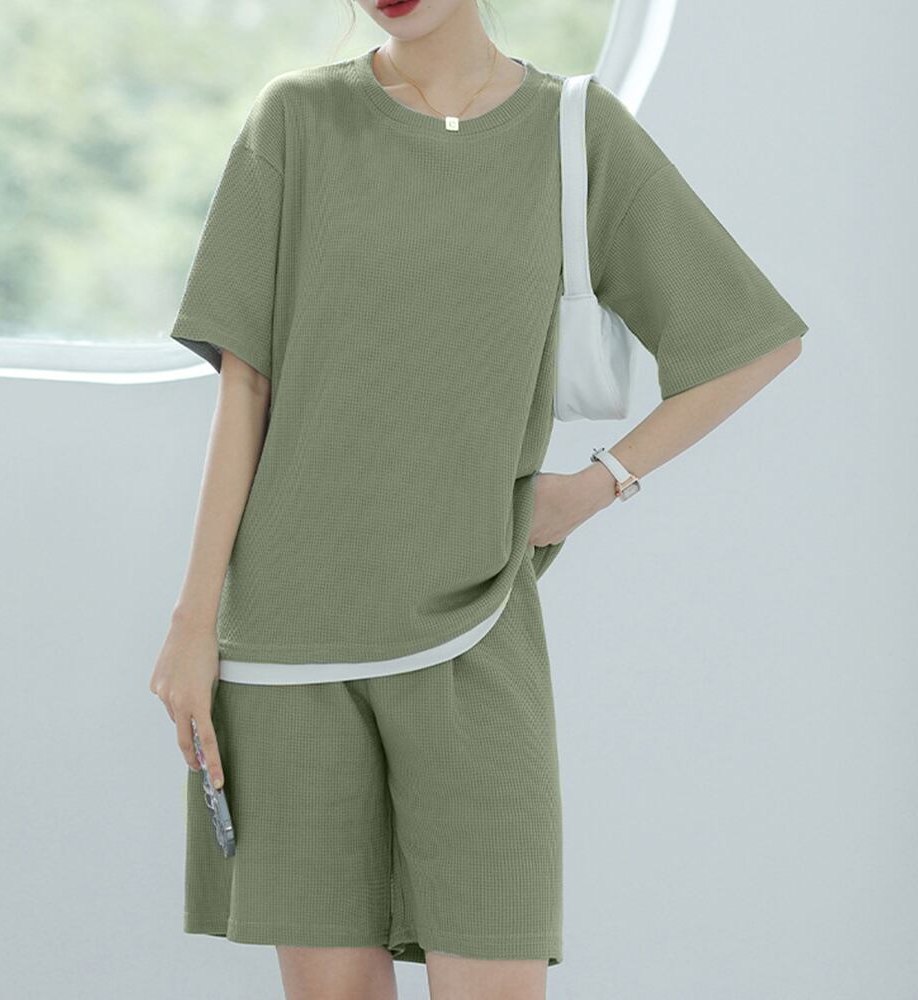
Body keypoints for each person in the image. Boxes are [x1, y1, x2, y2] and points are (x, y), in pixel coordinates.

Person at [148, 0, 810, 997]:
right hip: (288, 637)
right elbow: (247, 385)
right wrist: (192, 626)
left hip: (477, 623)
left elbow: (751, 339)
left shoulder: (574, 132)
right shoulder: (294, 120)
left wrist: (596, 485)